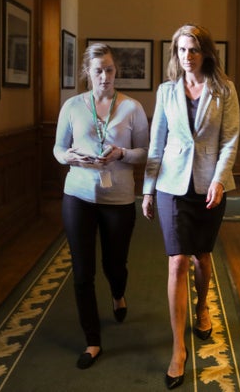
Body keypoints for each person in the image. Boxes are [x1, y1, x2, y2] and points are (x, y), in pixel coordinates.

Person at [141, 24, 240, 390]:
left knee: (201, 256)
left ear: (206, 53)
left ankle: (201, 308)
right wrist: (148, 190)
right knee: (177, 260)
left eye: (194, 50)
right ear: (175, 54)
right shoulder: (166, 92)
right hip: (171, 184)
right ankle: (178, 348)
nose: (187, 56)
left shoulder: (224, 90)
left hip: (210, 184)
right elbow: (156, 143)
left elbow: (230, 140)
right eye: (182, 50)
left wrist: (217, 179)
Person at [53, 42, 149, 370]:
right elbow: (58, 148)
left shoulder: (132, 108)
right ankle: (92, 340)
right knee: (82, 272)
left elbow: (146, 153)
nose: (105, 76)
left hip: (119, 198)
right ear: (87, 73)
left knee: (114, 264)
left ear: (116, 70)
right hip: (78, 195)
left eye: (109, 69)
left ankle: (118, 293)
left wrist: (122, 153)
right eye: (98, 70)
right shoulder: (72, 106)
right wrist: (68, 156)